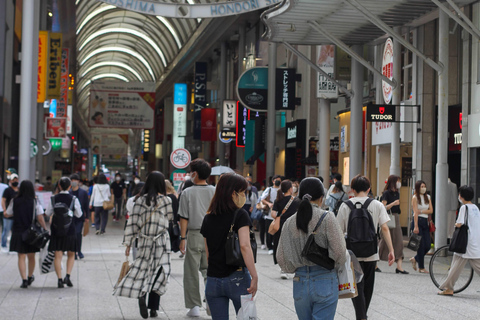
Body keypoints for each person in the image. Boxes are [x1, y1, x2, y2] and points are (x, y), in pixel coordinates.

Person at [277, 177, 346, 320]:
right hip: (325, 279)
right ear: (321, 198)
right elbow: (339, 252)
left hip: (300, 282)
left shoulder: (289, 222)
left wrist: (294, 268)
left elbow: (282, 259)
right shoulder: (327, 218)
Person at [337, 175, 395, 320]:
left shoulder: (345, 205)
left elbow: (338, 231)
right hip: (370, 253)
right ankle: (362, 316)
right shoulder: (377, 205)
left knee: (355, 286)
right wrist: (391, 250)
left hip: (352, 253)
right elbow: (385, 229)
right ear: (369, 189)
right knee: (368, 287)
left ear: (352, 189)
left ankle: (361, 316)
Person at [115, 171, 172, 319]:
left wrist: (128, 243)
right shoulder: (166, 200)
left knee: (143, 269)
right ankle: (153, 308)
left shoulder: (139, 201)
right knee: (160, 272)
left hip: (144, 241)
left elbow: (132, 223)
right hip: (161, 242)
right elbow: (170, 219)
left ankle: (142, 294)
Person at [200, 173, 258, 319]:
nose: (244, 195)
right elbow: (245, 246)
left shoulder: (208, 217)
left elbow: (208, 253)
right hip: (237, 277)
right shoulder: (240, 215)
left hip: (213, 279)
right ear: (234, 193)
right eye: (243, 192)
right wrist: (254, 275)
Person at [178, 159, 216, 317]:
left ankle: (194, 307)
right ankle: (212, 302)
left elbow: (184, 217)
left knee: (191, 271)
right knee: (210, 270)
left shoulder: (187, 192)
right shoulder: (215, 191)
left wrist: (182, 238)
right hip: (213, 235)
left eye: (190, 171)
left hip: (194, 233)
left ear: (195, 173)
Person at [438, 186, 480, 296]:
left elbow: (460, 223)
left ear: (461, 196)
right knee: (456, 265)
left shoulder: (464, 208)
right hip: (475, 241)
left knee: (457, 266)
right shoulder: (475, 207)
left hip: (465, 243)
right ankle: (448, 287)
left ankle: (448, 288)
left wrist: (455, 224)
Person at [4, 180, 46, 288]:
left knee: (21, 256)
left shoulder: (15, 200)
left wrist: (5, 213)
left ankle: (24, 280)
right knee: (31, 256)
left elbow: (8, 213)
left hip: (18, 231)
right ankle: (30, 276)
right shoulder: (34, 201)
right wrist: (45, 228)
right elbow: (40, 217)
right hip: (31, 232)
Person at [45, 177, 83, 288]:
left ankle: (59, 280)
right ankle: (68, 276)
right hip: (70, 229)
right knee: (71, 254)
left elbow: (47, 213)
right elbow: (79, 214)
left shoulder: (53, 198)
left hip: (56, 230)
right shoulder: (73, 199)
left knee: (58, 255)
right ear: (70, 186)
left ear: (59, 186)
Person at [378, 175, 407, 274]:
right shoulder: (386, 193)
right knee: (384, 241)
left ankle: (399, 266)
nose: (399, 183)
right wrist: (393, 203)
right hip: (388, 217)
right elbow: (383, 207)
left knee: (399, 240)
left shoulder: (397, 193)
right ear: (393, 182)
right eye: (398, 181)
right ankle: (374, 263)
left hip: (396, 217)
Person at [271, 180, 300, 279]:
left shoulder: (278, 200)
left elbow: (273, 214)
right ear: (290, 189)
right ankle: (294, 268)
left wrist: (279, 216)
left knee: (281, 247)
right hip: (292, 226)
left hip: (280, 226)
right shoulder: (296, 200)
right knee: (292, 247)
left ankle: (282, 268)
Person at [408, 180, 434, 273]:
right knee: (420, 246)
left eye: (424, 186)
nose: (423, 188)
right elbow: (415, 212)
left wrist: (422, 211)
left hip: (425, 222)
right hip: (417, 221)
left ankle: (415, 259)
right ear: (418, 188)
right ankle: (421, 267)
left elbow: (431, 210)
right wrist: (415, 226)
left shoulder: (428, 197)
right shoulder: (415, 197)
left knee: (427, 245)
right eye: (421, 186)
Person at [259, 175, 282, 254]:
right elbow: (262, 198)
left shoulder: (282, 190)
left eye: (279, 180)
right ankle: (270, 246)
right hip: (269, 213)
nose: (278, 182)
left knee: (277, 230)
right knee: (269, 230)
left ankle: (275, 245)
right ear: (273, 181)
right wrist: (268, 203)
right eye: (276, 180)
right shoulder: (269, 189)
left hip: (279, 213)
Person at [69, 174, 89, 259]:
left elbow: (86, 205)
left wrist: (87, 217)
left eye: (75, 180)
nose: (74, 182)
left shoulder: (83, 192)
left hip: (80, 217)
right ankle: (72, 251)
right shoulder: (68, 192)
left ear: (78, 181)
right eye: (72, 180)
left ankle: (78, 251)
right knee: (71, 235)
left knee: (78, 234)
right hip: (70, 218)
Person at [2, 173, 19, 253]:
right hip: (8, 214)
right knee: (6, 230)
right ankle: (3, 245)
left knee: (15, 232)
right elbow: (3, 200)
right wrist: (4, 210)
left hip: (16, 215)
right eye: (13, 180)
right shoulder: (7, 190)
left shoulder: (19, 190)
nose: (15, 181)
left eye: (16, 179)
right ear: (10, 181)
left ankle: (13, 246)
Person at [165, 180, 180, 253]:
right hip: (173, 221)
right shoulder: (173, 197)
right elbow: (177, 209)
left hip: (165, 221)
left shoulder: (163, 198)